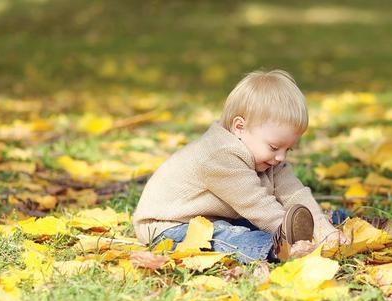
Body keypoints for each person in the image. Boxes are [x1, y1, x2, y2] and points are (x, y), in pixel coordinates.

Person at [133, 69, 347, 262]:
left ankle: (332, 222)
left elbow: (294, 192)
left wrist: (321, 227)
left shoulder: (266, 156)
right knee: (227, 236)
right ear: (239, 128)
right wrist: (290, 233)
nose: (281, 157)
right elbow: (257, 204)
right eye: (274, 147)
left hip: (215, 218)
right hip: (169, 225)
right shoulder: (219, 156)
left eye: (287, 149)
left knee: (244, 224)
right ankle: (276, 248)